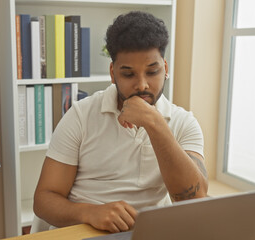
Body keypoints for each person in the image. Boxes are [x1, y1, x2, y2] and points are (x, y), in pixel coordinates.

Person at [33, 11, 208, 233]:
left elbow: (195, 200)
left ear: (165, 68)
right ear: (113, 73)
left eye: (152, 71)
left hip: (145, 233)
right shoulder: (81, 114)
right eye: (128, 74)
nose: (142, 85)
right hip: (84, 229)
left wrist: (155, 124)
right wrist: (89, 213)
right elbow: (44, 200)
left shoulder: (184, 123)